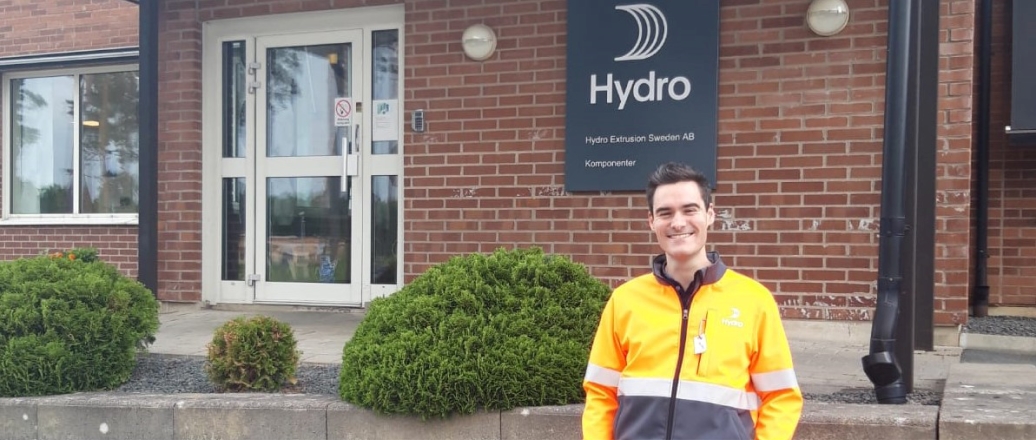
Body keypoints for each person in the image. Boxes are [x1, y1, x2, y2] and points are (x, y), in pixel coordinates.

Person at [582, 162, 803, 440]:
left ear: (709, 215)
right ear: (651, 221)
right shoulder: (625, 300)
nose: (678, 222)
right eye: (665, 213)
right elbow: (601, 393)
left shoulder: (754, 301)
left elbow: (781, 396)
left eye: (690, 209)